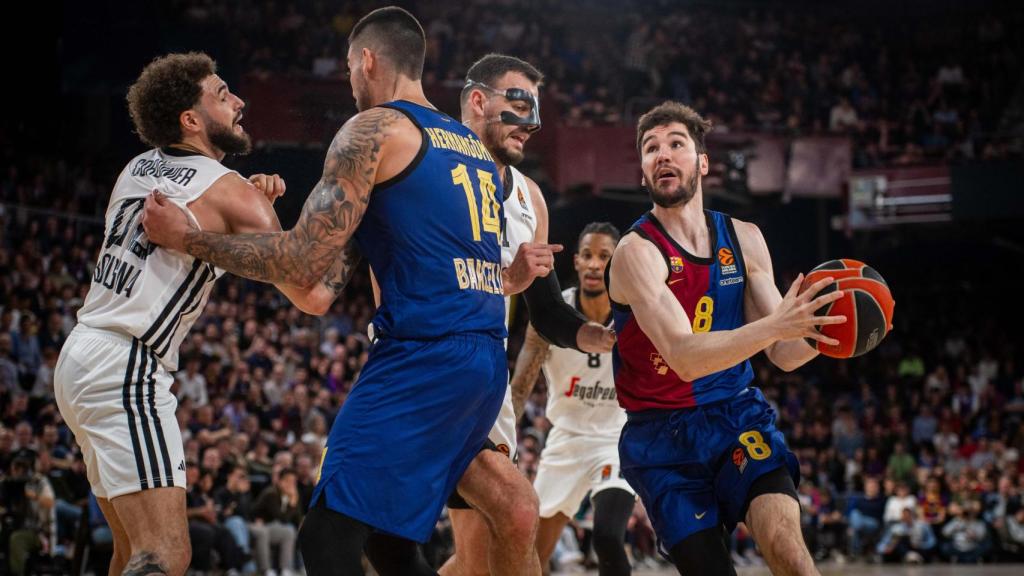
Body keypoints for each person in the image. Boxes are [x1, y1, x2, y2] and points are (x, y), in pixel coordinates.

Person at [142, 7, 510, 575]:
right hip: (484, 362)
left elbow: (299, 259)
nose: (350, 81)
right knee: (388, 544)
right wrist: (267, 216)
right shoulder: (472, 147)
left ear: (366, 60)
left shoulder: (374, 130)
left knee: (326, 540)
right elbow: (317, 291)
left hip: (424, 355)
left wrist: (192, 238)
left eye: (348, 69)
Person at [52, 51, 321, 576]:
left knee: (131, 552)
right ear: (192, 120)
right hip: (127, 366)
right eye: (223, 94)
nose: (239, 101)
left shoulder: (136, 169)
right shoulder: (233, 194)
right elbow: (310, 295)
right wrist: (264, 208)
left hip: (82, 355)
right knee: (166, 554)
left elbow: (199, 196)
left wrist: (249, 199)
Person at [363, 52, 615, 576]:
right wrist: (504, 279)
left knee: (488, 551)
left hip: (482, 375)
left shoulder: (530, 198)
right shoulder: (427, 167)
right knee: (480, 535)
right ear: (477, 101)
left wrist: (594, 335)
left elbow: (544, 311)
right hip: (417, 363)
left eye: (536, 110)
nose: (533, 124)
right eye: (520, 106)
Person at [607, 101, 846, 575]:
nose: (662, 155)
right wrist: (780, 323)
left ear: (703, 162)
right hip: (661, 436)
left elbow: (783, 353)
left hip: (736, 414)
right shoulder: (636, 252)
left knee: (791, 554)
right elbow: (683, 357)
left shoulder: (744, 238)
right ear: (642, 171)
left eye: (676, 143)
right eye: (651, 148)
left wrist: (825, 329)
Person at [510, 221, 636, 575]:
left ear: (615, 264)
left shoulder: (635, 315)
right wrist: (504, 444)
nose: (595, 264)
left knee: (609, 537)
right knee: (533, 553)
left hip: (616, 440)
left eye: (604, 257)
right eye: (587, 255)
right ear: (576, 262)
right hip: (564, 441)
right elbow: (520, 386)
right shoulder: (551, 314)